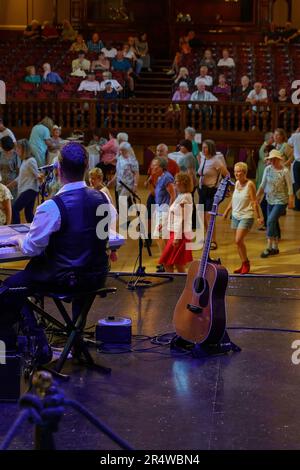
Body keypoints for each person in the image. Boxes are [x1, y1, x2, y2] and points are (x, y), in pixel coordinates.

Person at [3, 143, 114, 365]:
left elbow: (31, 248)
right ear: (85, 167)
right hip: (96, 276)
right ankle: (73, 340)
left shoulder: (52, 207)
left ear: (58, 169)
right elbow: (103, 236)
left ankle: (36, 342)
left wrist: (18, 238)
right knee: (18, 285)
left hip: (63, 278)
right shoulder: (103, 200)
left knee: (7, 290)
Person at [223, 163, 261, 275]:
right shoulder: (236, 183)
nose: (236, 173)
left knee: (238, 240)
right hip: (235, 216)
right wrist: (226, 211)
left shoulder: (250, 185)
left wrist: (258, 216)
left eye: (239, 171)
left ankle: (246, 263)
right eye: (235, 171)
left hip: (246, 216)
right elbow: (233, 200)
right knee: (239, 243)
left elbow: (254, 201)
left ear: (245, 172)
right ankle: (243, 263)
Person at [257, 149, 294, 258]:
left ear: (278, 160)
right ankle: (275, 247)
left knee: (270, 220)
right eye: (270, 159)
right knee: (274, 222)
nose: (272, 161)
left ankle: (268, 247)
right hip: (269, 199)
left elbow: (290, 187)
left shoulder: (285, 171)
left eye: (274, 159)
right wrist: (257, 196)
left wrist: (291, 201)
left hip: (281, 201)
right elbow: (263, 184)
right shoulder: (267, 169)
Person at [198, 139, 229, 250]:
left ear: (210, 148)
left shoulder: (216, 160)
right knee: (202, 216)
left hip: (212, 191)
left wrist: (225, 189)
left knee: (209, 216)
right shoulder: (202, 157)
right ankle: (208, 237)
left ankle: (213, 240)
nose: (203, 149)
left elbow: (227, 175)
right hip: (202, 190)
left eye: (206, 147)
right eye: (203, 147)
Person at [159, 172, 193, 273]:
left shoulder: (186, 197)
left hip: (180, 234)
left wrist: (177, 237)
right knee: (170, 262)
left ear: (183, 183)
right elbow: (173, 213)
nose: (174, 184)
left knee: (175, 263)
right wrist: (164, 224)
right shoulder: (181, 196)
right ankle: (174, 284)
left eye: (176, 182)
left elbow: (183, 219)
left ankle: (181, 285)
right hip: (175, 232)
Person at [151, 157, 176, 272]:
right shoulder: (161, 177)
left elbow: (173, 195)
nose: (152, 166)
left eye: (155, 165)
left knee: (160, 237)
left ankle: (167, 262)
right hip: (160, 210)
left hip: (165, 212)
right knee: (160, 237)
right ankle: (166, 262)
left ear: (161, 167)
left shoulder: (167, 177)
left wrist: (168, 212)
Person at [12, 139, 43, 224]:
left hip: (30, 190)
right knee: (28, 213)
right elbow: (20, 178)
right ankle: (36, 230)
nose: (16, 150)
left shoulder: (31, 161)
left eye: (18, 148)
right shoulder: (25, 161)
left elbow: (37, 175)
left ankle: (16, 230)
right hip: (28, 190)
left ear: (24, 149)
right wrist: (8, 186)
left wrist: (41, 179)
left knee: (15, 208)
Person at [256, 132, 275, 228]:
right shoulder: (265, 147)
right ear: (268, 138)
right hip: (263, 170)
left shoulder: (268, 147)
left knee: (265, 203)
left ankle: (268, 222)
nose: (274, 138)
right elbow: (265, 160)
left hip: (269, 183)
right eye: (272, 137)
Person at [288, 128, 300, 211]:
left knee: (297, 184)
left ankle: (298, 205)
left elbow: (289, 143)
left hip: (298, 163)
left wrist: (296, 132)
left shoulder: (295, 136)